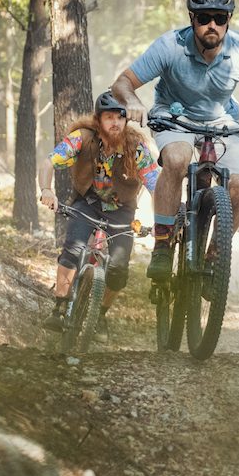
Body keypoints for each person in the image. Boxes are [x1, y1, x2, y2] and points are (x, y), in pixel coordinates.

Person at [111, 0, 239, 281]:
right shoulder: (170, 45)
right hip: (174, 115)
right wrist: (132, 101)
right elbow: (123, 82)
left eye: (220, 18)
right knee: (176, 158)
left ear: (229, 20)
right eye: (203, 17)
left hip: (222, 121)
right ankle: (162, 242)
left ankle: (214, 256)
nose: (212, 24)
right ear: (191, 18)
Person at [37, 91, 160, 331]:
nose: (115, 123)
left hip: (122, 209)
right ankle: (60, 308)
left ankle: (100, 314)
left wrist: (161, 221)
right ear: (98, 120)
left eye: (120, 117)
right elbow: (48, 162)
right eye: (109, 117)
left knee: (118, 268)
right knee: (73, 249)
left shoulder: (136, 147)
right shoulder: (82, 138)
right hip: (87, 203)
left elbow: (156, 186)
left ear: (126, 120)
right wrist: (46, 189)